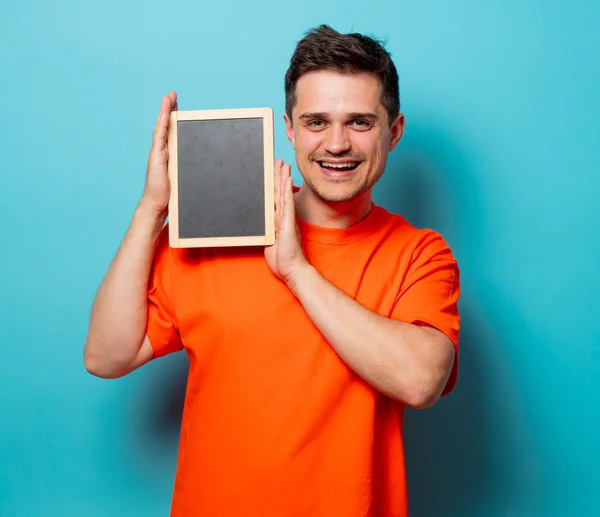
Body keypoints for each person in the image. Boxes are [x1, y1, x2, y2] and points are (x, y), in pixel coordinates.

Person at [84, 24, 460, 517]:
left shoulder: (420, 254)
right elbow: (106, 356)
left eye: (361, 123)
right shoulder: (215, 237)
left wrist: (297, 271)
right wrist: (153, 209)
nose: (337, 143)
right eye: (317, 122)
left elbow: (420, 380)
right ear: (289, 128)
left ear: (394, 131)